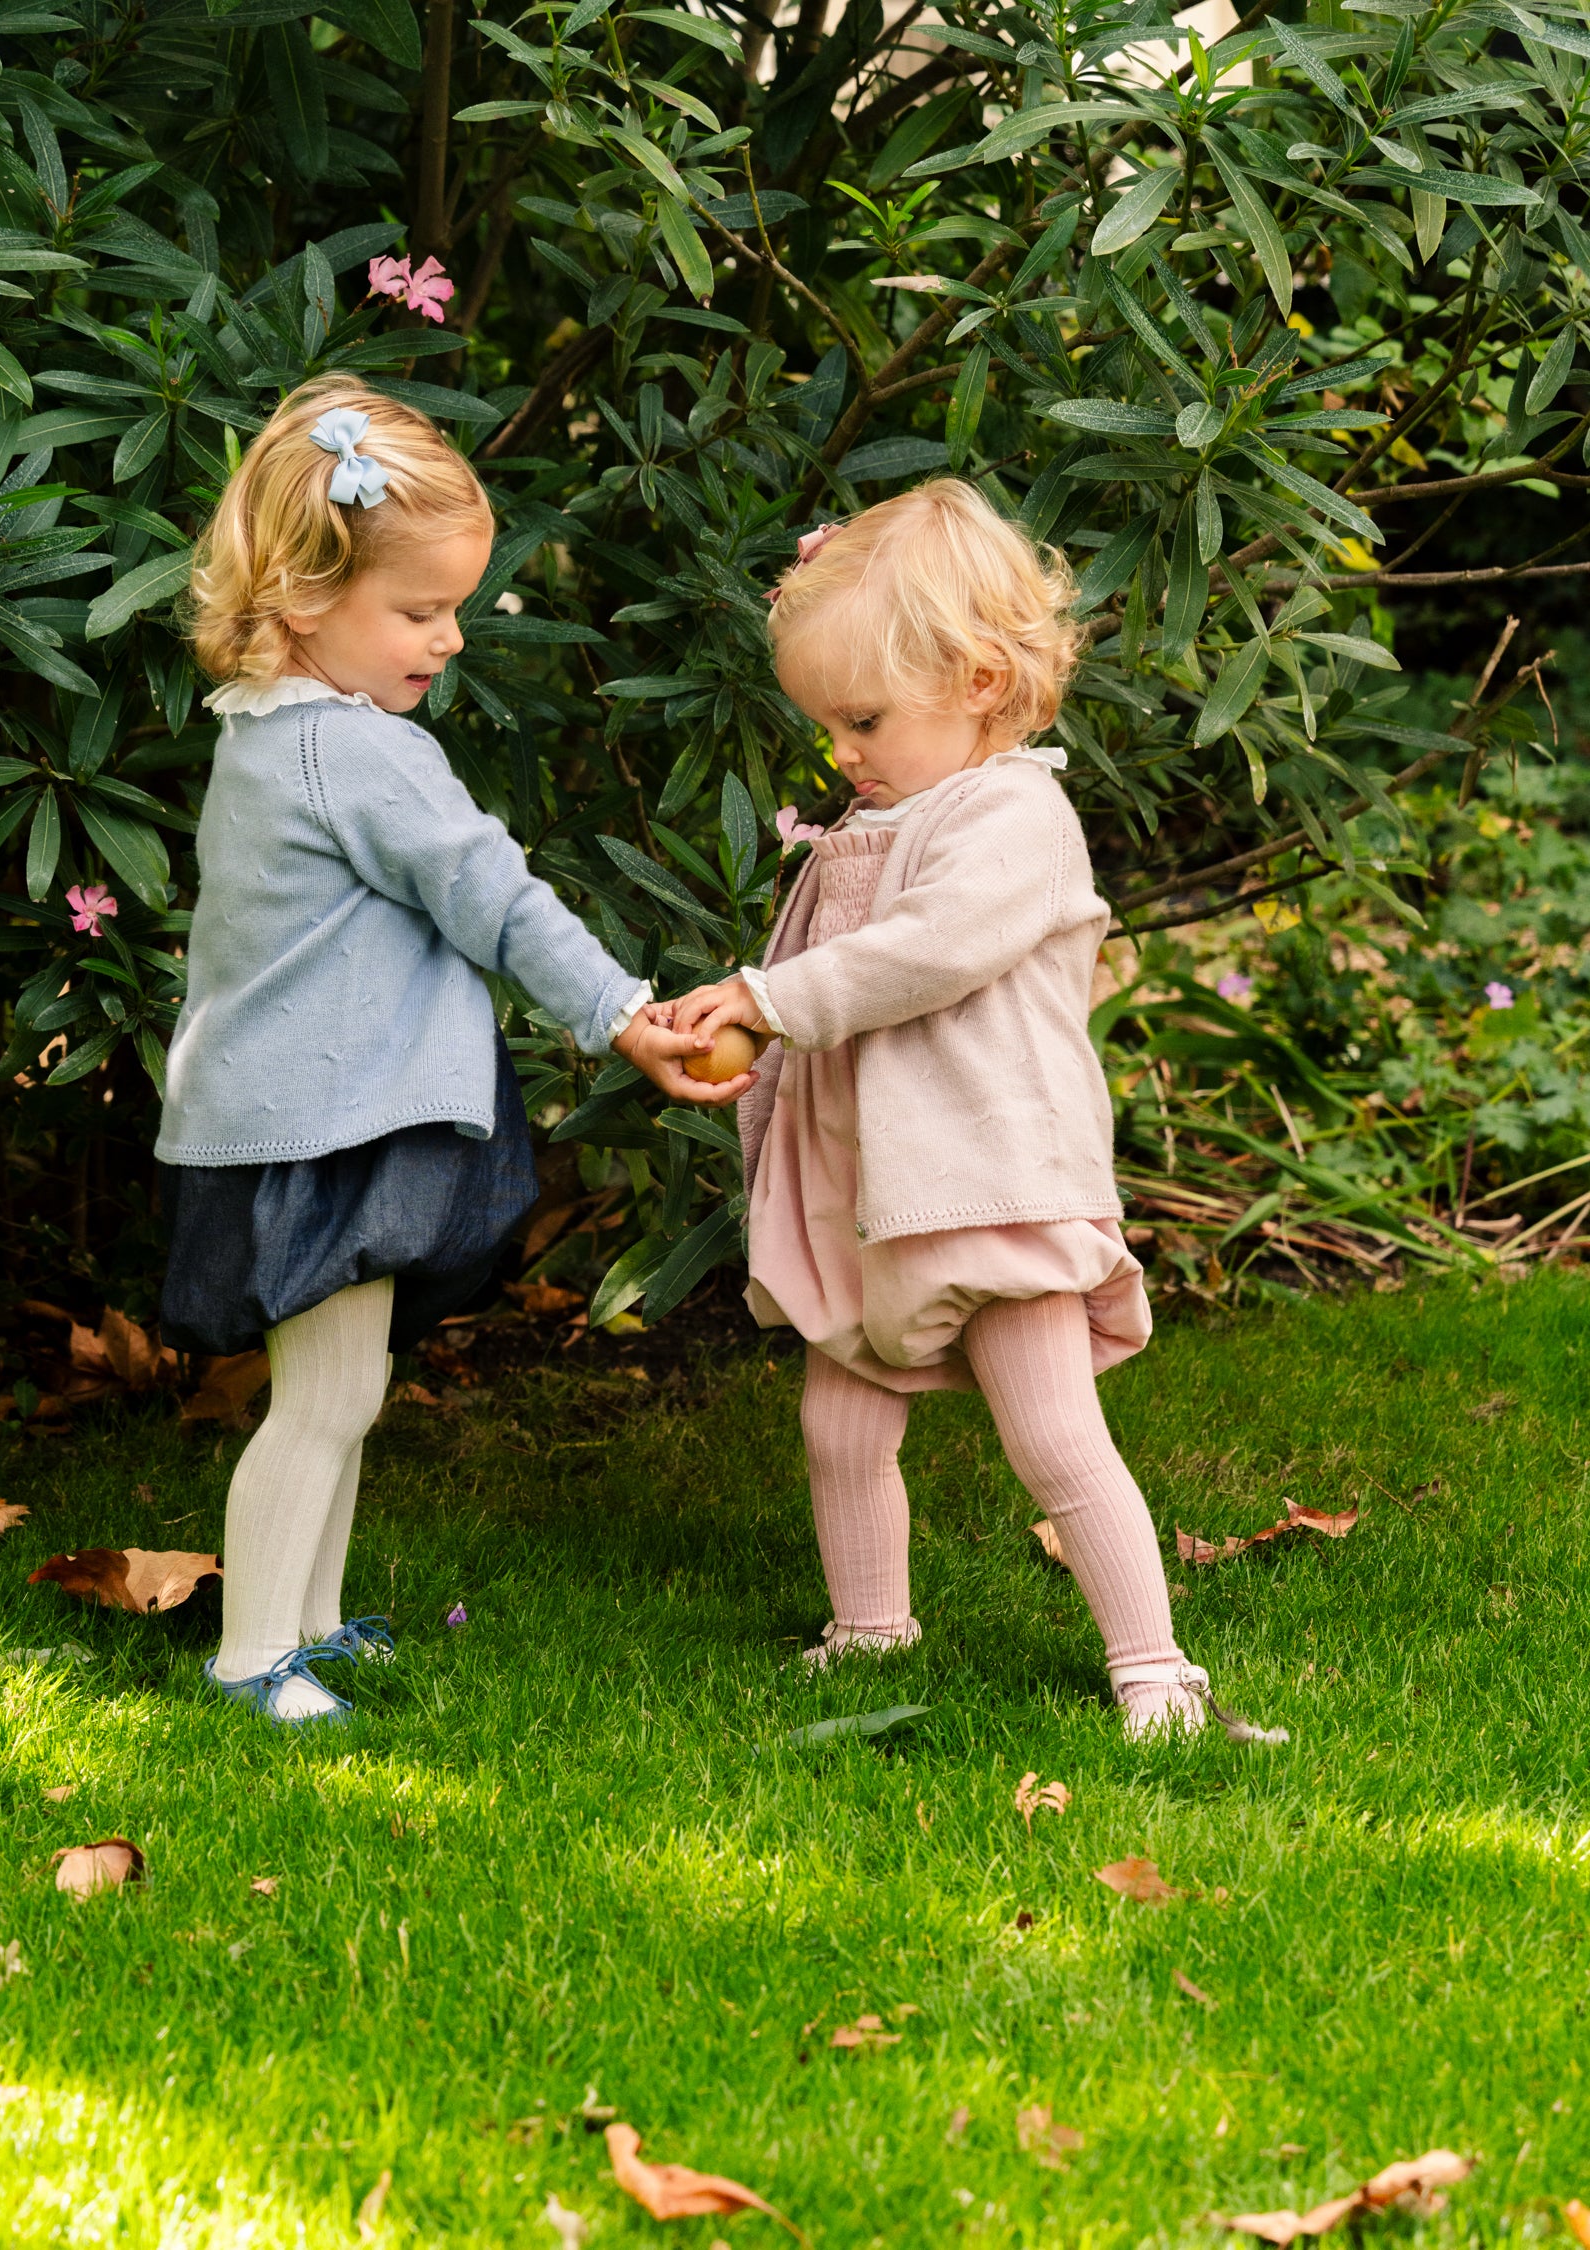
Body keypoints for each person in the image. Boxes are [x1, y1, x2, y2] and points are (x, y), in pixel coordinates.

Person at [156, 375, 748, 1726]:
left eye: (453, 607)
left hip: (292, 1114)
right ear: (307, 598)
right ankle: (254, 1657)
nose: (451, 638)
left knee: (339, 1390)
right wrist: (619, 1011)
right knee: (322, 1400)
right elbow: (495, 895)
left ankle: (307, 1623)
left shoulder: (264, 735)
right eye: (418, 611)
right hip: (330, 1125)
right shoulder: (361, 757)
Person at [671, 482, 1215, 1738]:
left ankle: (1153, 1665)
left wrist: (765, 998)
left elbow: (929, 952)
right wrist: (741, 1021)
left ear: (977, 680)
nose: (842, 754)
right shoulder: (880, 816)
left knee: (1054, 1437)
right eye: (830, 726)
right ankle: (869, 1628)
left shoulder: (1016, 813)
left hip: (988, 1178)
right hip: (876, 1194)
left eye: (862, 720)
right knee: (839, 1424)